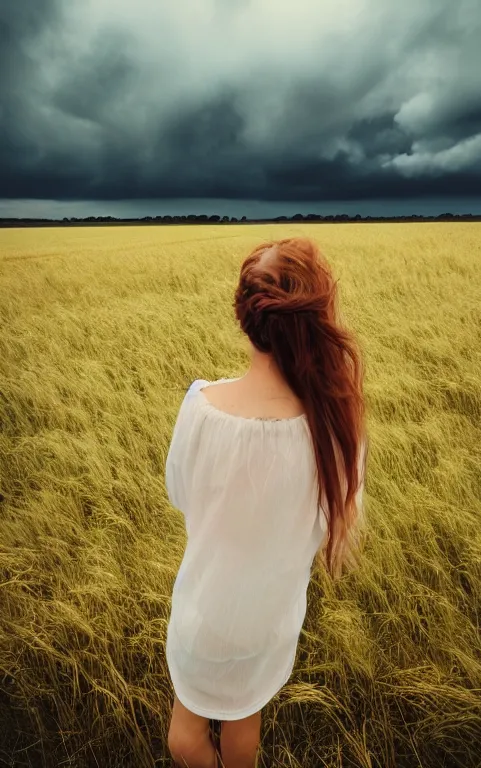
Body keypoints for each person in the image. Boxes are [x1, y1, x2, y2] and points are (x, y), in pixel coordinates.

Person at [164, 237, 369, 768]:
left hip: (204, 611)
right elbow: (324, 524)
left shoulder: (200, 407)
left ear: (243, 315)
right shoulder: (333, 427)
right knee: (244, 717)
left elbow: (180, 495)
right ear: (316, 317)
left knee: (184, 740)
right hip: (271, 618)